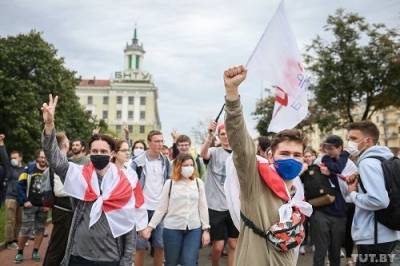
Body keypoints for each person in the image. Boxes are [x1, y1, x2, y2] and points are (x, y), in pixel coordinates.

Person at [41, 95, 146, 266]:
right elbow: (54, 159)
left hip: (110, 258)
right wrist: (49, 125)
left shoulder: (124, 184)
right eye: (95, 151)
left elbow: (129, 227)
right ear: (89, 152)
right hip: (79, 256)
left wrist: (127, 261)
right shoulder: (79, 176)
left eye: (103, 152)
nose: (99, 155)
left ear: (112, 153)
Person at [223, 65, 312, 265]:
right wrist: (232, 94)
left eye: (297, 155)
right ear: (271, 155)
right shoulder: (254, 181)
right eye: (285, 153)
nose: (291, 158)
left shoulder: (296, 194)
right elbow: (241, 145)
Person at [346, 121, 400, 265]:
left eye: (353, 138)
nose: (349, 143)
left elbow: (379, 200)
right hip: (388, 232)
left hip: (373, 236)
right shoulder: (385, 158)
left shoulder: (367, 163)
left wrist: (353, 194)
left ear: (367, 140)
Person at [142, 153, 210, 266]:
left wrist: (206, 230)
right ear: (178, 166)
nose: (189, 168)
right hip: (172, 228)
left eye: (191, 165)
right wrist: (150, 227)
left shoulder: (198, 183)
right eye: (185, 165)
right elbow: (161, 208)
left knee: (189, 262)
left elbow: (203, 207)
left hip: (193, 228)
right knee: (171, 262)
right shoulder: (170, 184)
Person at [200, 120, 238, 266]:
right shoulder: (214, 152)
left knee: (234, 244)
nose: (226, 137)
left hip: (233, 206)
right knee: (218, 246)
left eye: (228, 134)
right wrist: (209, 136)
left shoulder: (237, 155)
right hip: (215, 206)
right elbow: (203, 153)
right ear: (219, 136)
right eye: (222, 134)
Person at [131, 130, 171, 266]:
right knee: (140, 246)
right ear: (149, 142)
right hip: (142, 209)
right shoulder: (137, 162)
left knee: (160, 245)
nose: (160, 144)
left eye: (162, 141)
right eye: (156, 141)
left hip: (160, 210)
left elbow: (169, 183)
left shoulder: (166, 161)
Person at [15, 149, 49, 263]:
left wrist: (49, 204)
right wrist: (24, 201)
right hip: (30, 205)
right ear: (37, 158)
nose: (43, 159)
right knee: (26, 229)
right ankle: (19, 252)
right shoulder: (29, 168)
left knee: (40, 229)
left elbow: (54, 188)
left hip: (43, 206)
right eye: (41, 157)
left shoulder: (50, 170)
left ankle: (35, 251)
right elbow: (20, 185)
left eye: (45, 157)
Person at [0, 134, 24, 249]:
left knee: (19, 221)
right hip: (10, 198)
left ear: (20, 158)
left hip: (20, 199)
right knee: (10, 220)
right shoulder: (9, 169)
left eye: (15, 157)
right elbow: (4, 157)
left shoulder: (24, 170)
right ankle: (9, 242)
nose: (13, 160)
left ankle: (15, 239)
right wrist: (1, 144)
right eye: (12, 158)